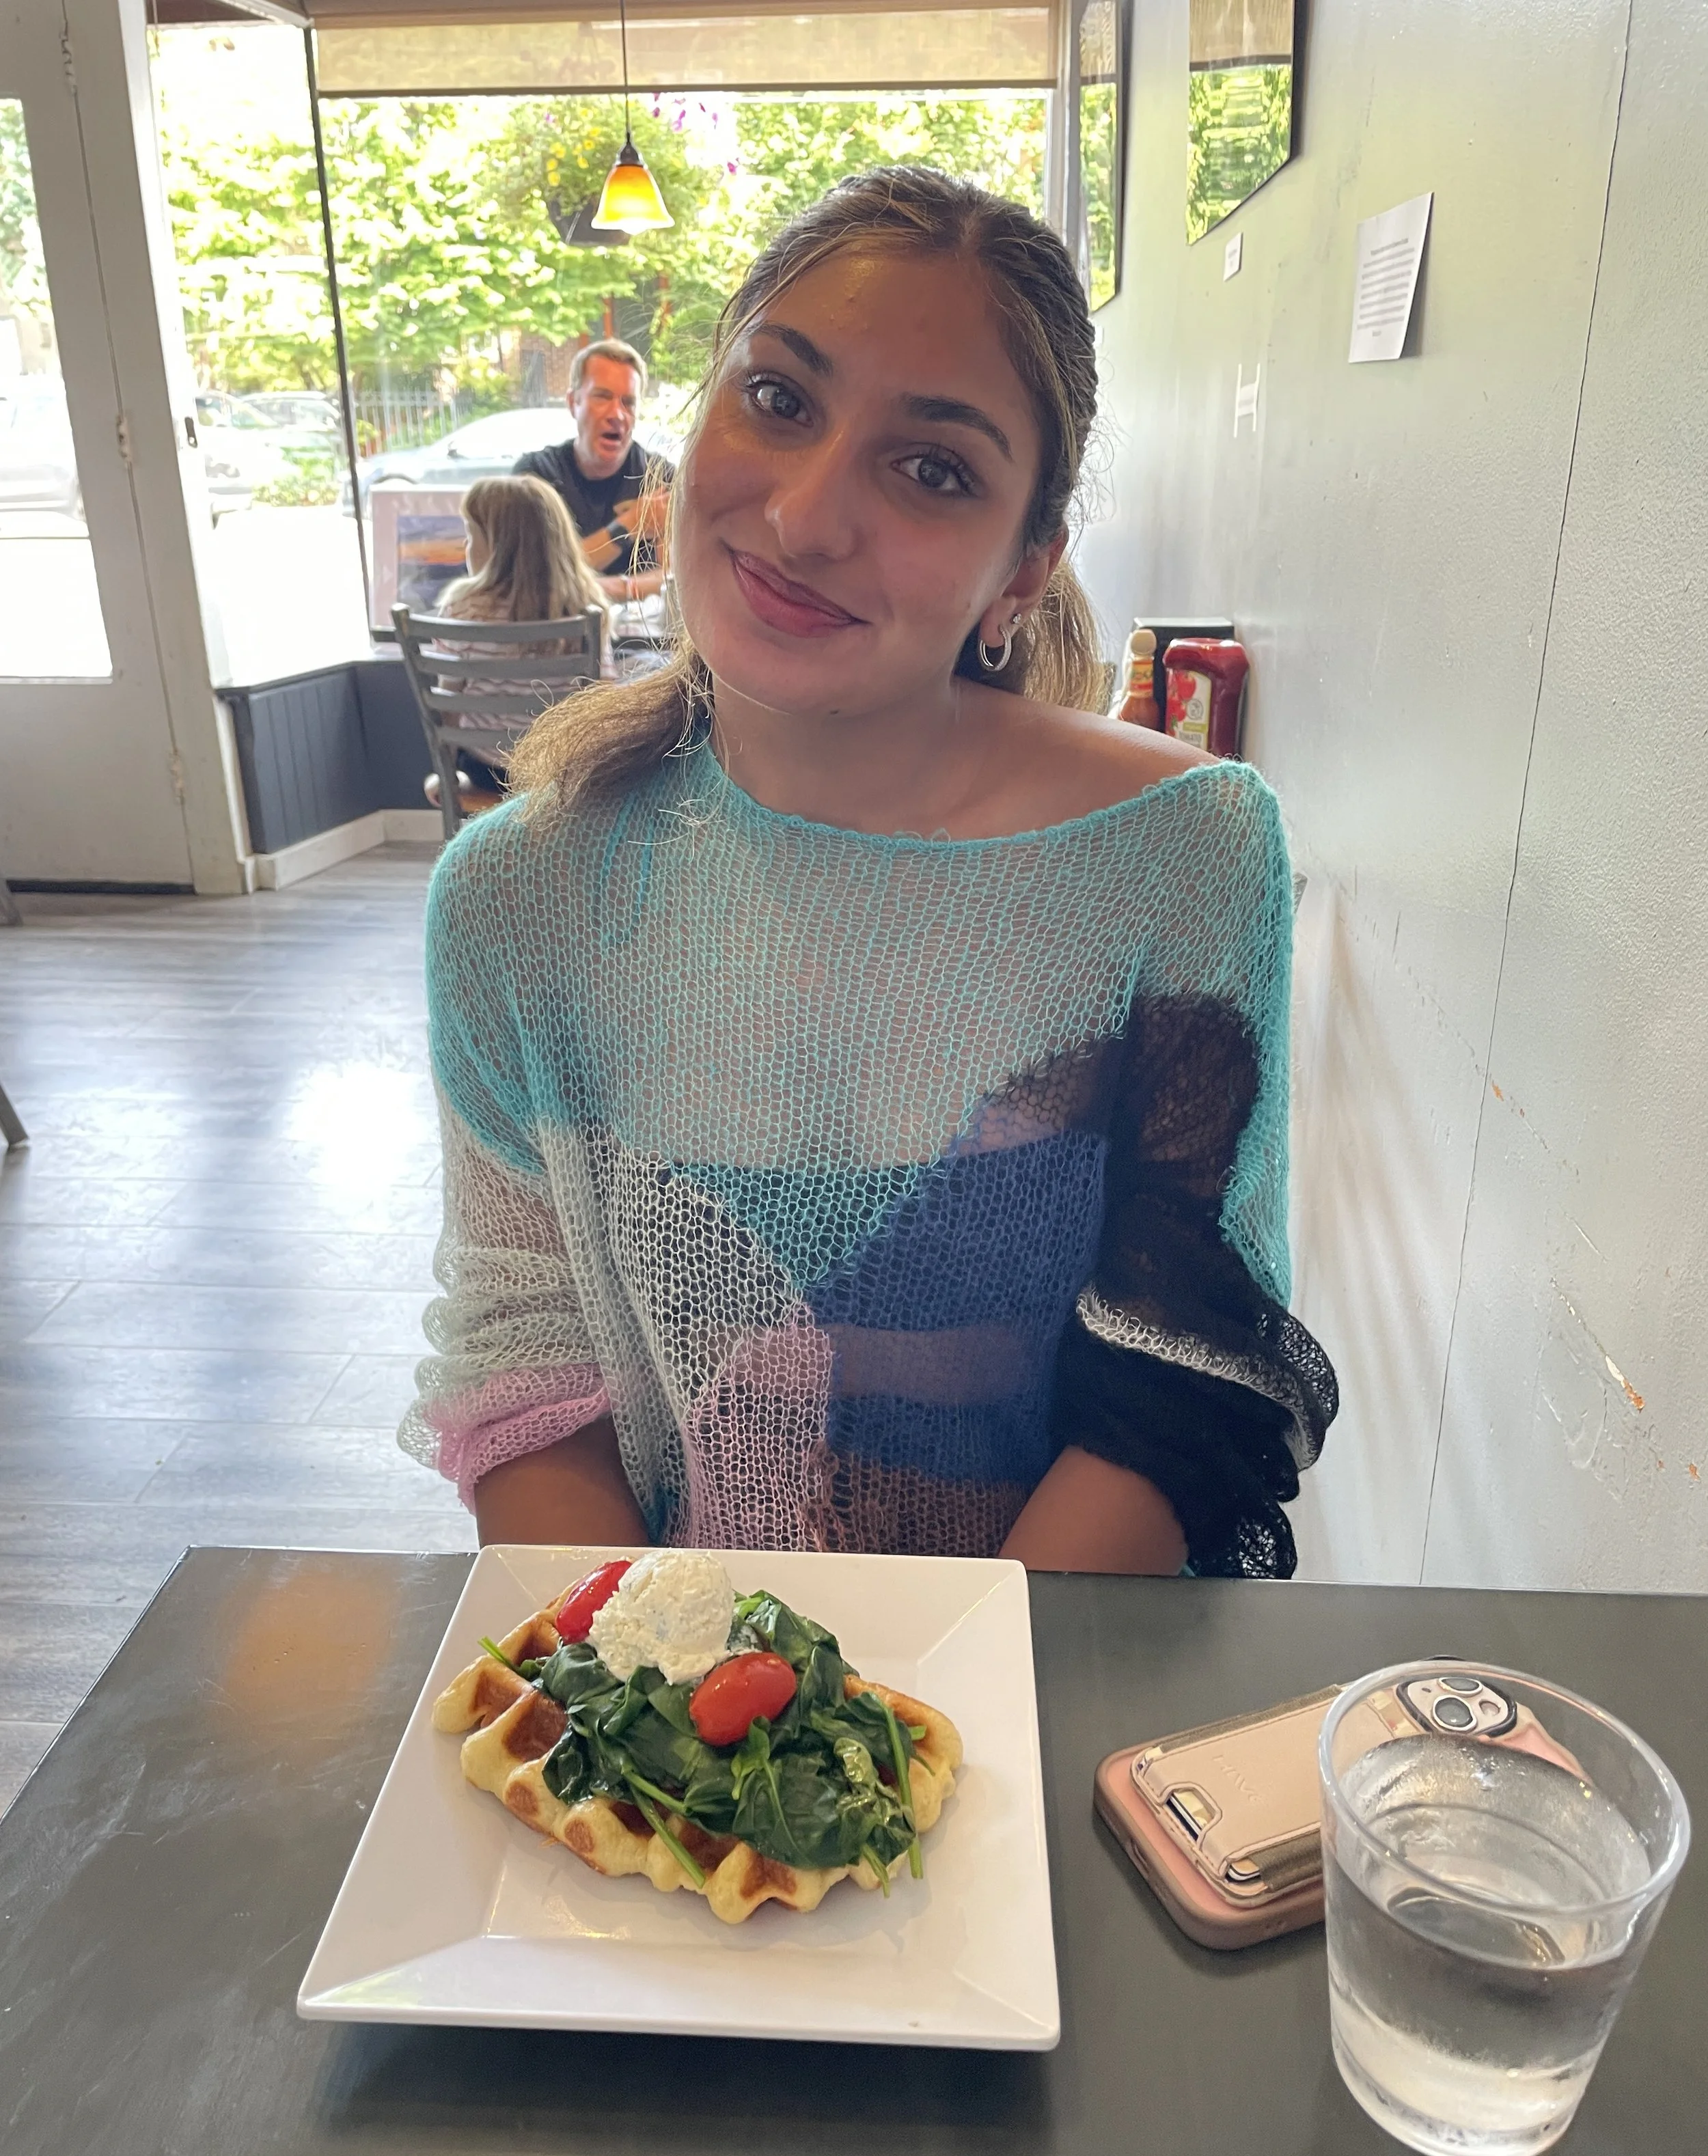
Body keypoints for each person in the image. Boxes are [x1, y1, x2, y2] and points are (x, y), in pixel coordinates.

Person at [402, 168, 1338, 1575]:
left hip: (1045, 1687)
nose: (803, 515)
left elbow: (1180, 1367)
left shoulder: (1185, 850)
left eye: (932, 468)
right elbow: (527, 1359)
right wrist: (682, 1729)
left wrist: (918, 1727)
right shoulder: (511, 894)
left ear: (1024, 570)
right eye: (777, 398)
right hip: (681, 1705)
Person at [430, 473, 609, 807]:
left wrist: (445, 772)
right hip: (559, 773)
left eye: (471, 536)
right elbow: (604, 697)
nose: (466, 547)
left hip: (487, 769)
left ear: (495, 548)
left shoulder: (463, 610)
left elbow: (449, 706)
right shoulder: (586, 609)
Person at [512, 339, 672, 609]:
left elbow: (677, 577)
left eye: (628, 402)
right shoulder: (536, 477)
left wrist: (609, 588)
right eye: (603, 397)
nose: (617, 414)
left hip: (640, 642)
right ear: (573, 403)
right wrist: (629, 526)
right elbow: (531, 577)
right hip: (556, 640)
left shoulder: (659, 477)